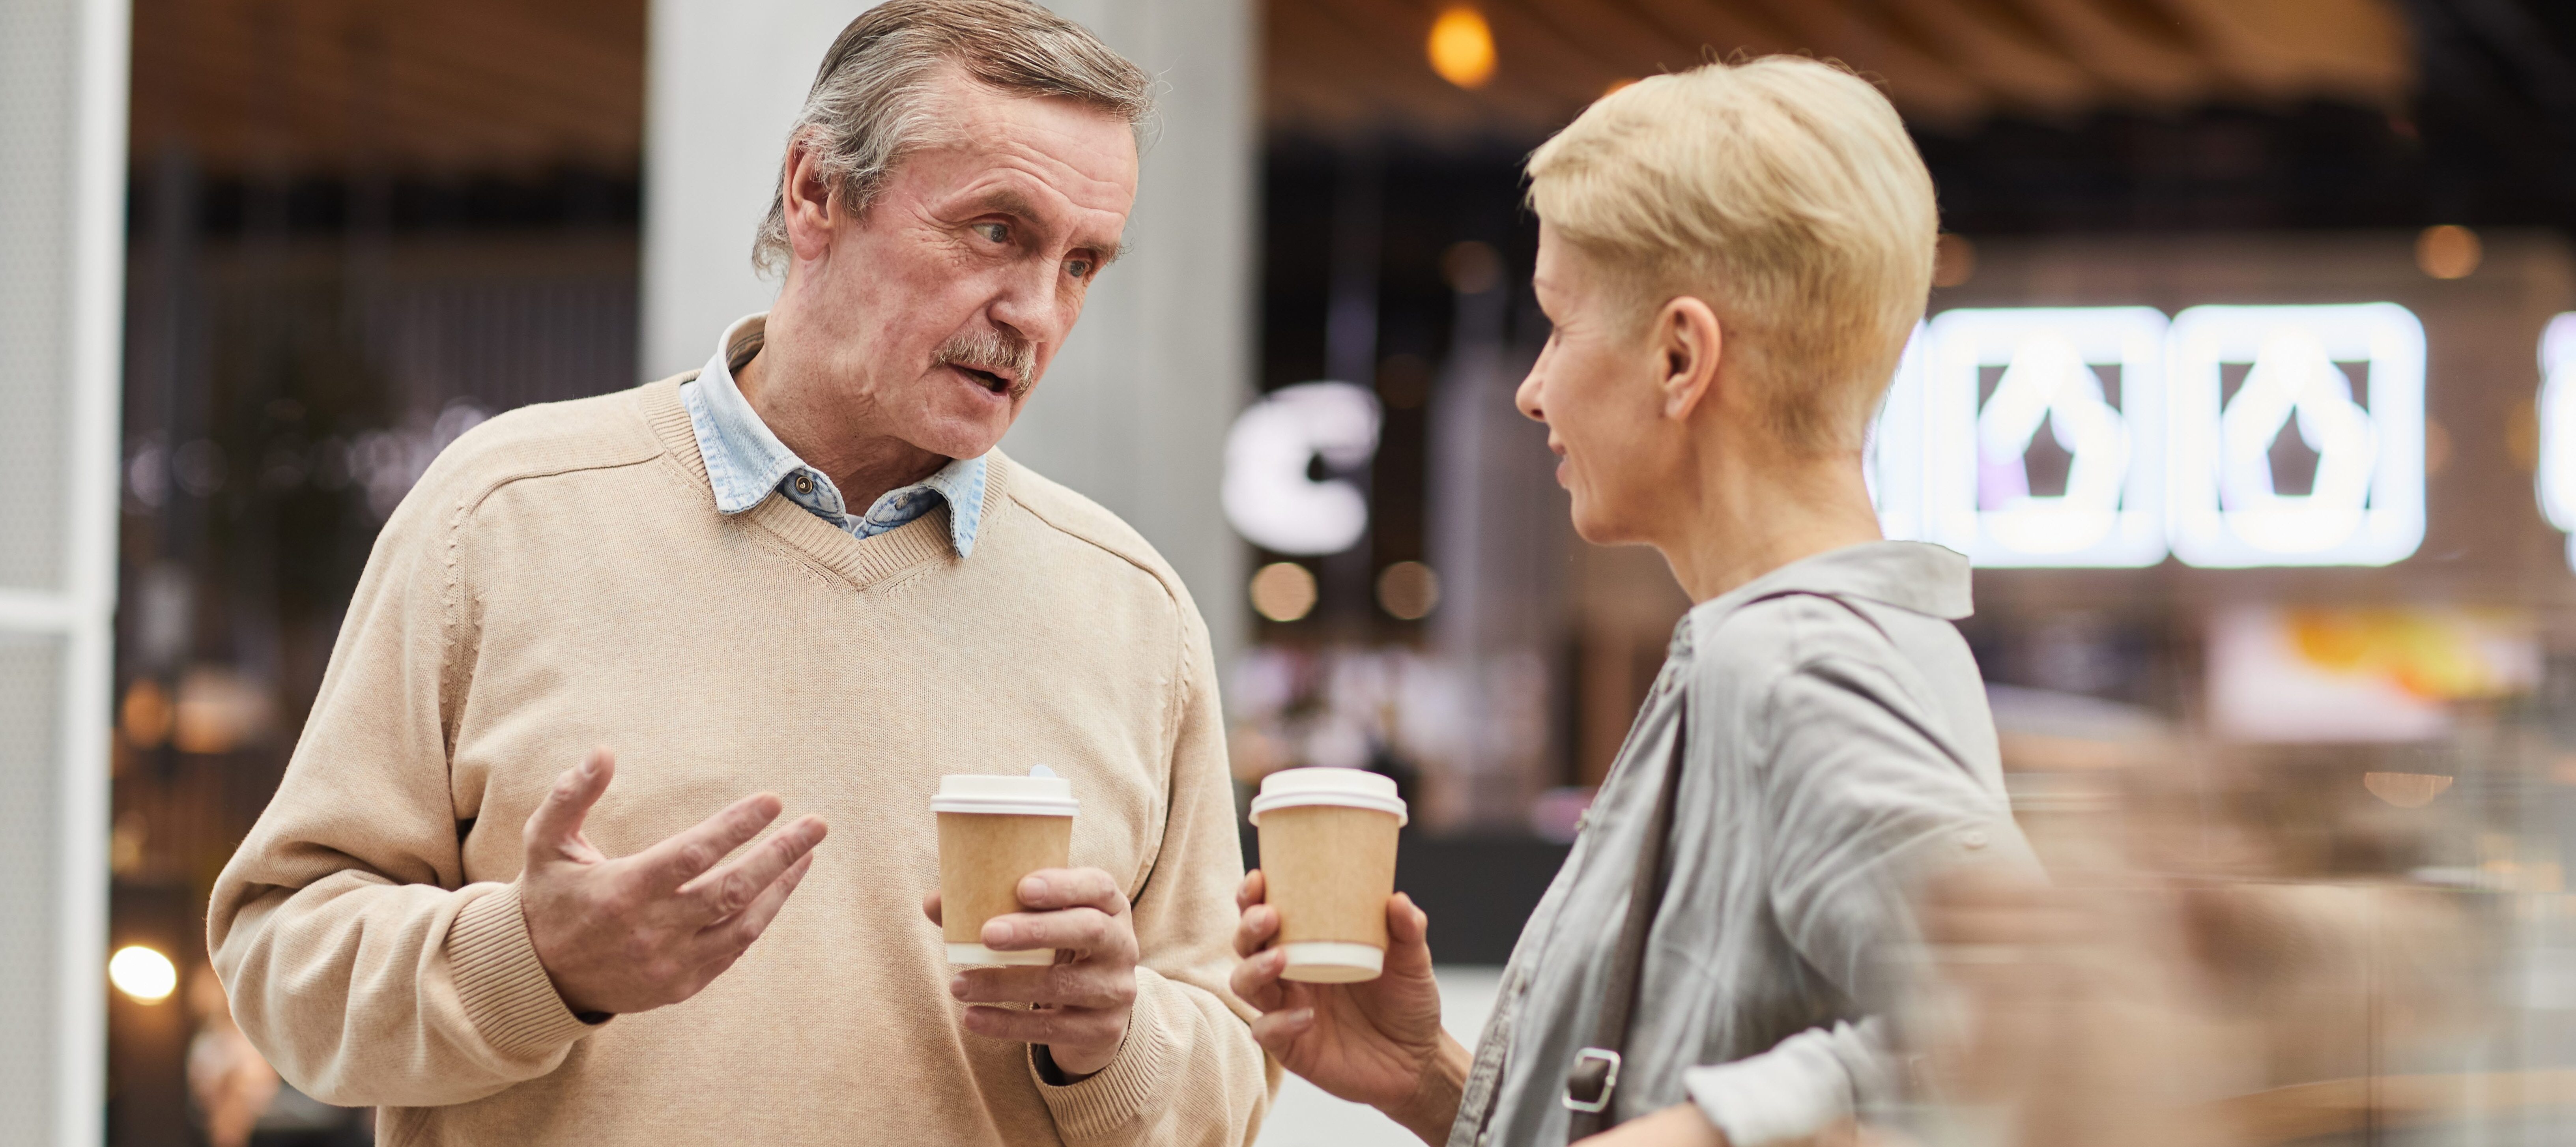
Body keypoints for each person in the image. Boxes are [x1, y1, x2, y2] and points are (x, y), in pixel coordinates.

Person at [207, 3, 1268, 1144]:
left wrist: (1113, 1039)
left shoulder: (1133, 609)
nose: (1035, 310)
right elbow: (283, 965)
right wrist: (536, 962)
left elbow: (1229, 1086)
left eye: (1081, 262)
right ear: (815, 193)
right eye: (996, 232)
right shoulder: (502, 515)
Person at [1230, 58, 2041, 1147]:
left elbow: (2024, 1029)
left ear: (1678, 355)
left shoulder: (1798, 661)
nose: (1533, 387)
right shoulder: (1795, 647)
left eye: (1557, 325)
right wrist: (1427, 1076)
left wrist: (1707, 1132)